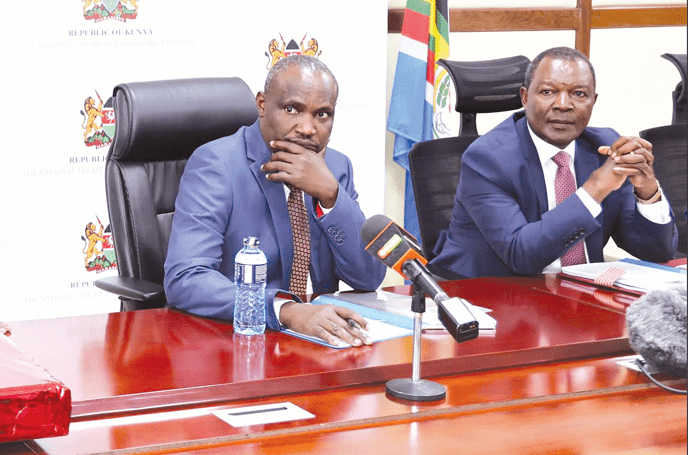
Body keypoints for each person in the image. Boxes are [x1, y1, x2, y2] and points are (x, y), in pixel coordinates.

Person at [164, 55, 386, 346]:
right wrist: (287, 310)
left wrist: (331, 196)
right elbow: (186, 278)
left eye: (322, 114)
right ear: (262, 105)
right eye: (292, 109)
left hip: (321, 340)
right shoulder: (217, 164)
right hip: (238, 339)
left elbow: (368, 277)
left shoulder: (336, 167)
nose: (308, 128)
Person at [430, 46, 678, 278]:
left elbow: (657, 252)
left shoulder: (603, 147)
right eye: (548, 92)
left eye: (578, 94)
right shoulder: (486, 159)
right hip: (487, 296)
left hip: (576, 297)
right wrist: (594, 190)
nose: (563, 105)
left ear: (593, 101)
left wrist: (648, 191)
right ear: (525, 98)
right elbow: (521, 255)